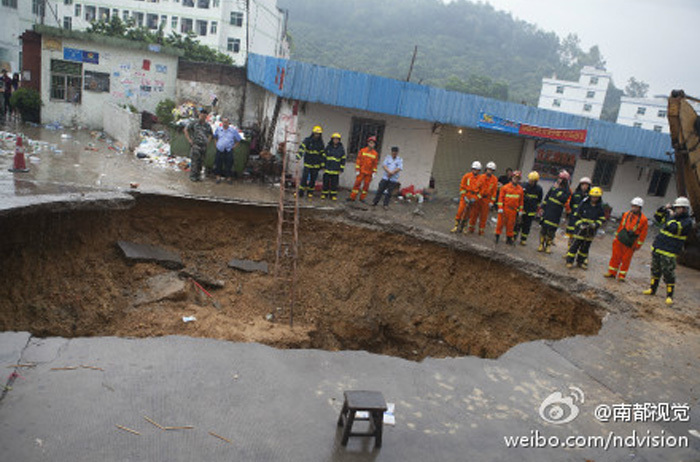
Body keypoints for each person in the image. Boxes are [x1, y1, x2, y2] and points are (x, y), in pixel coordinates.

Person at [642, 197, 694, 305]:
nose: (676, 210)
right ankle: (652, 289)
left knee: (668, 273)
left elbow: (674, 228)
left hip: (670, 250)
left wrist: (670, 217)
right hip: (659, 246)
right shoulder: (672, 216)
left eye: (679, 208)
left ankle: (669, 296)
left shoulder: (687, 221)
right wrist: (663, 208)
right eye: (676, 208)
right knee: (655, 269)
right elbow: (657, 217)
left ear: (685, 209)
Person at [605, 197, 648, 281]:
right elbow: (621, 226)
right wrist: (616, 237)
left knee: (626, 259)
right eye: (633, 206)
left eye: (636, 206)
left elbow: (643, 233)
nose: (634, 208)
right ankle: (612, 273)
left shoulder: (643, 219)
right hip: (621, 238)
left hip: (631, 241)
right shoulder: (626, 214)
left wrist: (638, 244)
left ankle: (621, 276)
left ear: (640, 208)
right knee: (615, 256)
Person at [565, 186, 606, 269]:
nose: (594, 199)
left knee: (585, 248)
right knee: (574, 246)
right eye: (593, 197)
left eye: (596, 197)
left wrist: (595, 225)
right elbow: (576, 216)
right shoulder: (583, 204)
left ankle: (580, 262)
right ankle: (569, 261)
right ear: (590, 196)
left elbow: (602, 219)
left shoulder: (600, 207)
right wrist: (580, 224)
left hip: (591, 231)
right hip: (580, 230)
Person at [538, 170, 571, 253]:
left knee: (551, 230)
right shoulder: (553, 187)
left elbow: (563, 199)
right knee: (544, 228)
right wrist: (542, 207)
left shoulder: (566, 191)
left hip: (556, 213)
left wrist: (556, 190)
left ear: (565, 180)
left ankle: (548, 245)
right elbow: (547, 197)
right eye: (559, 178)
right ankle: (541, 244)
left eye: (561, 179)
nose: (559, 180)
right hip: (547, 211)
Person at [451, 160, 482, 233]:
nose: (475, 171)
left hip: (473, 197)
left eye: (477, 170)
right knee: (460, 211)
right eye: (474, 169)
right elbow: (462, 187)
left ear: (479, 170)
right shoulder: (466, 176)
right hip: (465, 196)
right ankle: (456, 226)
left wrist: (475, 198)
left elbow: (481, 191)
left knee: (469, 214)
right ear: (472, 169)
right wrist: (464, 196)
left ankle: (464, 227)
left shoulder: (481, 179)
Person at [468, 161, 498, 235]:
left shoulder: (494, 179)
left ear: (493, 171)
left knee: (484, 216)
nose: (489, 171)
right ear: (486, 169)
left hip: (486, 200)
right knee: (474, 214)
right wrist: (474, 197)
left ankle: (481, 231)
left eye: (491, 170)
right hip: (478, 198)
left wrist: (492, 202)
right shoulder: (481, 177)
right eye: (488, 169)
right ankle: (471, 229)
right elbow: (476, 188)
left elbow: (494, 192)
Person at [495, 170, 524, 245]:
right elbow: (500, 198)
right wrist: (500, 208)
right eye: (515, 177)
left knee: (510, 225)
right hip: (504, 209)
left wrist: (520, 211)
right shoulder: (505, 187)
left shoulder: (520, 190)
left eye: (518, 178)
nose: (516, 179)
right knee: (500, 224)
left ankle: (509, 239)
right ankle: (497, 237)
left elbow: (521, 201)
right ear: (512, 177)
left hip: (513, 210)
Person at [184, 109, 213, 182]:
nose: (203, 117)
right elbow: (186, 130)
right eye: (201, 115)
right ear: (199, 115)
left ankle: (198, 176)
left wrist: (207, 142)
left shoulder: (207, 125)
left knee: (201, 161)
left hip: (203, 146)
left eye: (204, 116)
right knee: (195, 161)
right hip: (196, 144)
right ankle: (193, 177)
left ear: (206, 116)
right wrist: (189, 140)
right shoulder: (194, 123)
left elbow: (210, 134)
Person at [515, 171, 543, 245]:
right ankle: (513, 236)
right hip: (522, 209)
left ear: (535, 181)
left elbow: (539, 200)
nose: (530, 182)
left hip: (531, 211)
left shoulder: (539, 189)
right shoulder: (523, 185)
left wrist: (536, 209)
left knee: (527, 226)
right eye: (530, 180)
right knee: (517, 224)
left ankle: (523, 239)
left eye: (532, 181)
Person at [297, 125, 326, 199]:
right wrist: (299, 155)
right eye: (316, 133)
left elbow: (322, 154)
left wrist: (322, 164)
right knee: (304, 178)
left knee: (313, 179)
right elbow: (302, 148)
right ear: (313, 133)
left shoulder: (321, 143)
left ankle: (310, 193)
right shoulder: (307, 140)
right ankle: (301, 192)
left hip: (316, 164)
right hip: (308, 162)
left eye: (318, 134)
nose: (317, 135)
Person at [347, 136, 378, 203]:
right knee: (357, 184)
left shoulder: (375, 154)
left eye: (373, 143)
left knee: (366, 186)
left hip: (369, 173)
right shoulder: (362, 150)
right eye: (370, 143)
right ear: (368, 143)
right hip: (361, 171)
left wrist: (374, 172)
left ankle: (362, 198)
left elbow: (375, 164)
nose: (371, 144)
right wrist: (357, 169)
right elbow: (358, 160)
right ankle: (352, 197)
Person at [213, 117, 242, 184]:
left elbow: (238, 140)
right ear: (222, 123)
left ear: (228, 123)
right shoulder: (219, 129)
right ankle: (218, 177)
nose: (225, 123)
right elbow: (215, 137)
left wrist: (234, 146)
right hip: (220, 149)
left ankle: (228, 178)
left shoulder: (233, 131)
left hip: (228, 150)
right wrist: (216, 145)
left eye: (226, 122)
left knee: (229, 164)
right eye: (223, 122)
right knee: (218, 163)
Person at [565, 177, 591, 242]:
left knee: (579, 234)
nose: (584, 186)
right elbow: (571, 204)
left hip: (583, 217)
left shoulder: (589, 196)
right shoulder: (575, 194)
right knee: (571, 232)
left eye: (586, 185)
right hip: (573, 216)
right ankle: (569, 247)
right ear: (580, 185)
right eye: (583, 185)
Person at [321, 133, 346, 200]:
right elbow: (324, 157)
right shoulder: (328, 147)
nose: (336, 140)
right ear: (332, 139)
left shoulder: (341, 149)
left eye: (337, 139)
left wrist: (341, 169)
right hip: (327, 169)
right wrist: (323, 166)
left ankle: (333, 195)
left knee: (334, 184)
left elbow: (343, 159)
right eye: (334, 139)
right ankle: (324, 194)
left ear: (339, 140)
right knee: (325, 182)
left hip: (335, 170)